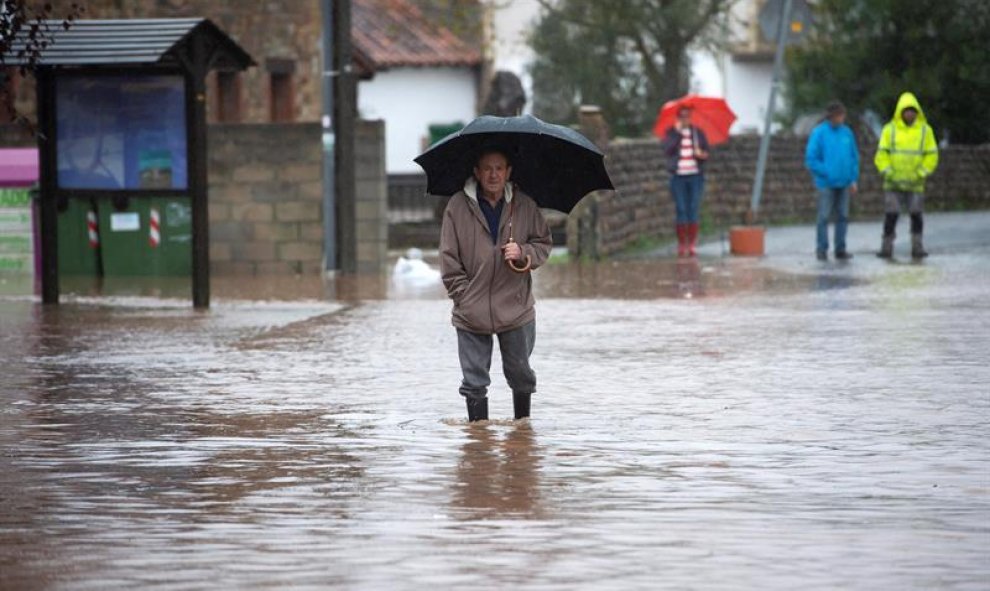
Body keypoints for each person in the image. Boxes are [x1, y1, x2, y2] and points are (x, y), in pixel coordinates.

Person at [439, 148, 552, 422]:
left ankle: (522, 433)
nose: (493, 174)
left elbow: (543, 244)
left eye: (499, 168)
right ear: (476, 173)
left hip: (515, 308)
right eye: (487, 168)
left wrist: (523, 252)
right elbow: (448, 258)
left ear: (508, 172)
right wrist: (463, 297)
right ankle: (479, 445)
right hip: (471, 310)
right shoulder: (457, 206)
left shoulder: (524, 205)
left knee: (521, 376)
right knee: (474, 382)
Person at [874, 92, 939, 259]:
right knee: (891, 215)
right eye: (907, 110)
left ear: (917, 112)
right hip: (893, 183)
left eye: (912, 110)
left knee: (916, 215)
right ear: (900, 112)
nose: (910, 114)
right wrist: (888, 171)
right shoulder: (890, 130)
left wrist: (921, 172)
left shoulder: (926, 131)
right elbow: (882, 154)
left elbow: (932, 155)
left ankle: (917, 247)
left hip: (915, 183)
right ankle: (886, 247)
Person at [804, 100, 860, 261]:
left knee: (843, 216)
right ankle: (821, 249)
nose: (841, 118)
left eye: (842, 115)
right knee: (823, 217)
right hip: (826, 184)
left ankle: (840, 249)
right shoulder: (819, 133)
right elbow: (811, 158)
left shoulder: (847, 133)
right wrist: (826, 172)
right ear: (831, 116)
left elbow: (853, 157)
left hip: (844, 183)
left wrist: (853, 179)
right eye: (839, 115)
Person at [661, 106, 710, 257]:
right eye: (682, 116)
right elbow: (667, 150)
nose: (685, 119)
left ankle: (692, 244)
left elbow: (707, 152)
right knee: (681, 209)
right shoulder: (672, 133)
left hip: (695, 176)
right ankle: (682, 244)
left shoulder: (698, 133)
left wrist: (700, 154)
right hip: (678, 177)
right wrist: (677, 134)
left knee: (693, 208)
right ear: (678, 118)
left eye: (687, 116)